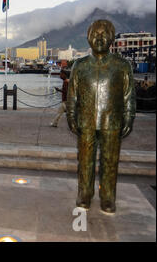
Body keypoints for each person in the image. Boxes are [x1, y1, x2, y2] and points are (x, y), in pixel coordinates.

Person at [67, 20, 135, 214]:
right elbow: (72, 95)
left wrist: (129, 117)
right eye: (95, 34)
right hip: (86, 122)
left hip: (111, 121)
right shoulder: (80, 66)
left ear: (111, 38)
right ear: (89, 37)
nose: (99, 37)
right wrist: (71, 115)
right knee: (85, 161)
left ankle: (107, 197)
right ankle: (85, 194)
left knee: (110, 160)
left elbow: (128, 96)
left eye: (104, 34)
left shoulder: (122, 66)